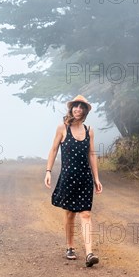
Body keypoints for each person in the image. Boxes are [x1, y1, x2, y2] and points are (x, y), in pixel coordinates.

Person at [44, 95, 103, 267]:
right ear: (71, 109)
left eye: (81, 107)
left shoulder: (89, 130)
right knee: (69, 214)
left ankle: (89, 253)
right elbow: (54, 149)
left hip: (85, 177)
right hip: (68, 177)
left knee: (86, 214)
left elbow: (92, 155)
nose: (78, 109)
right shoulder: (62, 128)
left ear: (85, 111)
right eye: (75, 106)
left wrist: (96, 178)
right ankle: (70, 247)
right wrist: (48, 171)